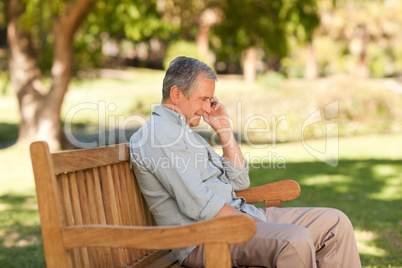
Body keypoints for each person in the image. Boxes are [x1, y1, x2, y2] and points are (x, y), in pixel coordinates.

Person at [129, 56, 362, 268]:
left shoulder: (185, 133)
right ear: (176, 93)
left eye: (210, 99)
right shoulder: (159, 135)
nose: (207, 107)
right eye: (203, 99)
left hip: (237, 217)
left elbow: (240, 181)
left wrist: (224, 130)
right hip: (205, 237)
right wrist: (249, 222)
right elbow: (198, 205)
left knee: (335, 224)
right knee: (293, 240)